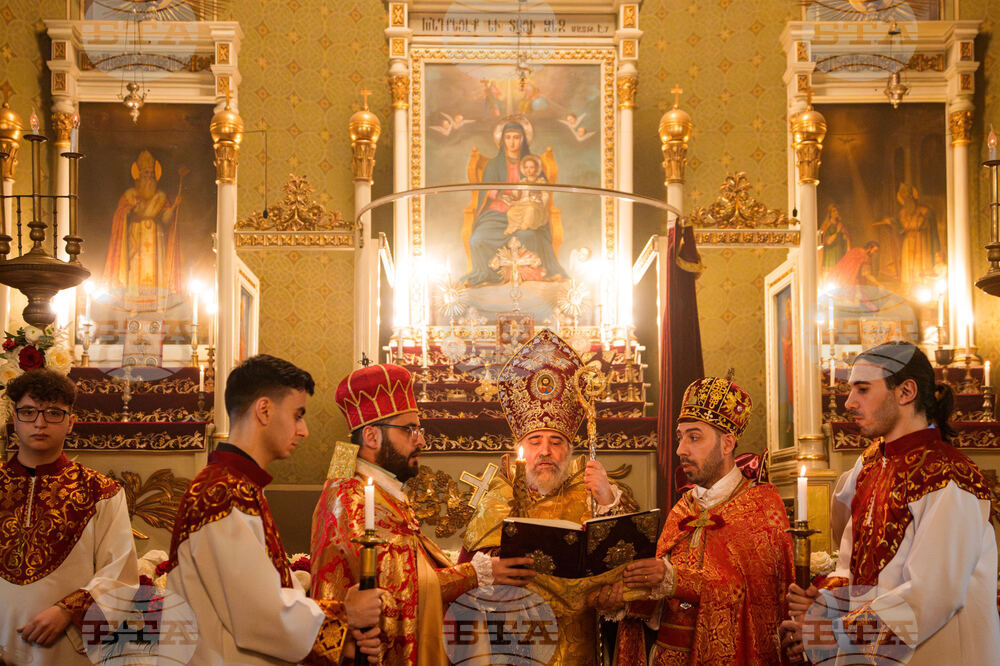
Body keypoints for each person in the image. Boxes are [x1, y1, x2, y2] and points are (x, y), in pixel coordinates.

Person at [781, 342, 1000, 665]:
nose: (849, 402)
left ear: (906, 392)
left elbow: (933, 595)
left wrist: (832, 633)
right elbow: (855, 570)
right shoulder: (870, 465)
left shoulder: (948, 477)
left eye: (863, 389)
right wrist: (826, 602)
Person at [311, 362, 535, 666]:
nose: (422, 440)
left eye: (420, 429)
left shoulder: (373, 489)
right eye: (410, 430)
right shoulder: (354, 500)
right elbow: (396, 594)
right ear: (372, 436)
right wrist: (478, 574)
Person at [164, 354, 383, 665]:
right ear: (264, 410)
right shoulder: (222, 493)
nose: (304, 430)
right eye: (297, 415)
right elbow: (258, 614)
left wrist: (342, 630)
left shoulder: (241, 487)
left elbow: (269, 590)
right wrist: (345, 615)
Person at [460, 328, 637, 665]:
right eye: (535, 441)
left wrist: (608, 500)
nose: (545, 451)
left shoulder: (592, 490)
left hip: (577, 643)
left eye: (556, 442)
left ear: (569, 450)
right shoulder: (499, 495)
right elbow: (470, 573)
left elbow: (626, 563)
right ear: (521, 448)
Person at [595, 373, 794, 665]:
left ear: (727, 444)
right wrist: (627, 599)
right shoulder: (683, 509)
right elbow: (661, 604)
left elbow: (757, 600)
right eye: (680, 437)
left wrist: (676, 580)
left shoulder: (761, 507)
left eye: (694, 437)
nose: (680, 450)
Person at [0, 369, 138, 665]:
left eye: (53, 413)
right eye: (28, 412)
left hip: (63, 647)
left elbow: (121, 576)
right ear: (14, 420)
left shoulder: (102, 492)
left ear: (70, 422)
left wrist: (68, 610)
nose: (39, 422)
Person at [462, 119, 568, 286]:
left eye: (516, 137)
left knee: (529, 235)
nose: (512, 142)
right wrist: (497, 194)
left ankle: (529, 278)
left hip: (525, 215)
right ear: (503, 140)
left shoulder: (532, 164)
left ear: (523, 140)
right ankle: (487, 276)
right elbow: (485, 192)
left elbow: (542, 191)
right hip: (496, 214)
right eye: (508, 137)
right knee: (477, 239)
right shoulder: (493, 165)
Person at [103, 149, 186, 313]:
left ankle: (157, 306)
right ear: (138, 174)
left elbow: (165, 220)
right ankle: (135, 306)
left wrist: (174, 207)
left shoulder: (160, 196)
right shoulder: (130, 194)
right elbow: (120, 216)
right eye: (145, 172)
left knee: (157, 270)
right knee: (134, 269)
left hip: (156, 238)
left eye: (151, 173)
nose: (148, 176)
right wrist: (128, 209)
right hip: (136, 237)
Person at [503, 154, 550, 236]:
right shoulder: (523, 181)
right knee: (511, 212)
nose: (528, 170)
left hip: (536, 206)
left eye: (531, 167)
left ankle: (525, 225)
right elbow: (517, 194)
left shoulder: (540, 182)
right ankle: (515, 226)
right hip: (523, 204)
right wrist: (514, 194)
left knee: (530, 210)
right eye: (526, 167)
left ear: (536, 169)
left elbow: (545, 196)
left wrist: (540, 202)